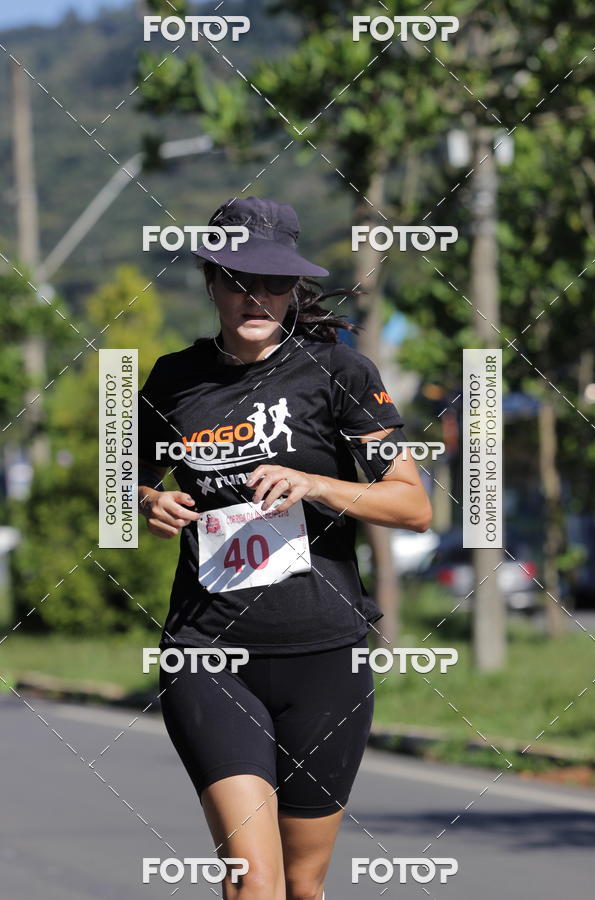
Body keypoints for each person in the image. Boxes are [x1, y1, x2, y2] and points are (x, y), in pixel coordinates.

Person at [137, 196, 432, 900]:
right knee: (256, 884)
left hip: (324, 660)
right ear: (210, 279)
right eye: (238, 279)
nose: (256, 296)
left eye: (274, 282)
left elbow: (414, 507)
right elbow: (122, 484)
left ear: (295, 287)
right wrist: (149, 502)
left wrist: (314, 482)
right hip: (209, 654)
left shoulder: (341, 371)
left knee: (302, 887)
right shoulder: (173, 381)